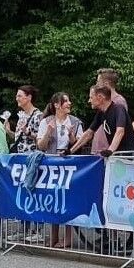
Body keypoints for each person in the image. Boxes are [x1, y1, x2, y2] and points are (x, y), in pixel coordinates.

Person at [37, 93, 83, 248]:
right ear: (56, 105)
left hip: (70, 164)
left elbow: (79, 146)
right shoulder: (46, 122)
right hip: (51, 164)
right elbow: (41, 146)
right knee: (53, 199)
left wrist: (71, 136)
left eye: (69, 100)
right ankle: (53, 236)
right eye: (65, 101)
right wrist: (49, 133)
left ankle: (68, 238)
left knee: (67, 199)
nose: (69, 103)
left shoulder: (76, 122)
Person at [70, 85, 134, 156]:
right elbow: (89, 133)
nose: (89, 101)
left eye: (91, 97)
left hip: (129, 156)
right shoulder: (101, 113)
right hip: (117, 155)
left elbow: (120, 131)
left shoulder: (118, 109)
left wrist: (110, 150)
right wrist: (71, 151)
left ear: (100, 97)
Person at [91, 69, 127, 155]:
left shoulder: (119, 102)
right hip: (99, 148)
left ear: (106, 84)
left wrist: (110, 149)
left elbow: (119, 130)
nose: (96, 85)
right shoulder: (103, 102)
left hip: (107, 150)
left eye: (98, 82)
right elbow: (91, 130)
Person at [4, 85, 42, 153]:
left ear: (29, 97)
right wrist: (8, 131)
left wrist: (28, 132)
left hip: (31, 158)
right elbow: (19, 138)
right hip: (20, 158)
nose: (17, 99)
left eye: (19, 96)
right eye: (16, 96)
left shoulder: (37, 116)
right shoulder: (21, 115)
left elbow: (41, 140)